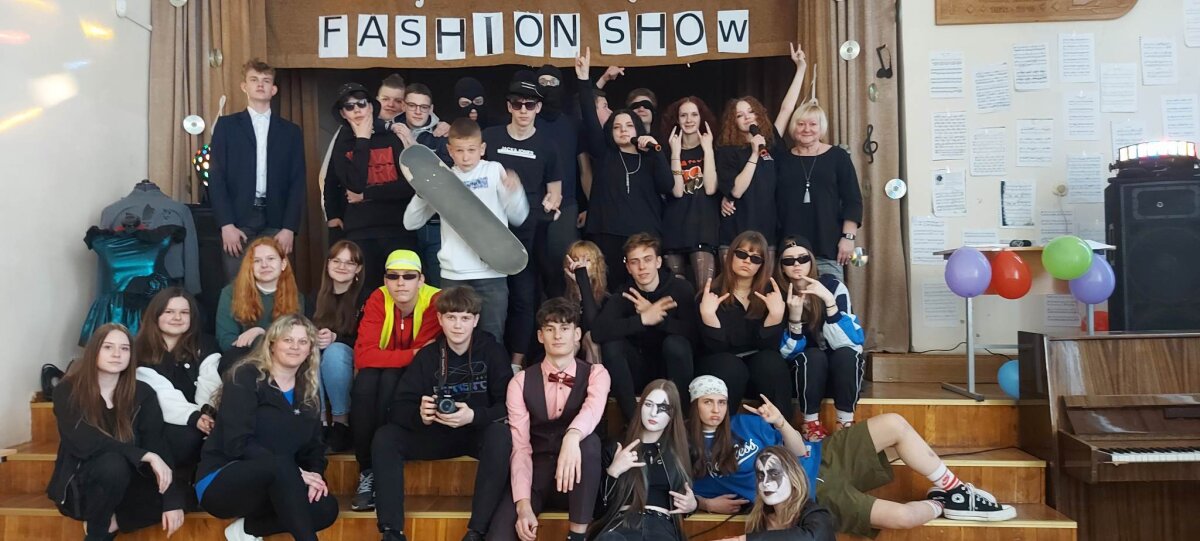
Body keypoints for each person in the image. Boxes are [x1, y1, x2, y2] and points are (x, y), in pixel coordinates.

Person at [372, 287, 514, 541]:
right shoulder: (428, 356)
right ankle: (392, 531)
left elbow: (509, 405)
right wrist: (421, 414)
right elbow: (399, 407)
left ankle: (477, 531)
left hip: (475, 432)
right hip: (435, 432)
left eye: (465, 318)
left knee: (500, 435)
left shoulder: (492, 351)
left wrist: (474, 416)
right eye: (451, 317)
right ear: (440, 319)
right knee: (385, 437)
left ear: (475, 320)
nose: (458, 325)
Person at [196, 315, 338, 541]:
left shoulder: (308, 391)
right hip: (223, 480)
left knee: (325, 507)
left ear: (310, 349)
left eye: (303, 342)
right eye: (287, 340)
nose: (295, 347)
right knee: (281, 465)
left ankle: (247, 529)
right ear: (272, 344)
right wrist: (295, 472)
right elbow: (237, 442)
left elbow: (314, 449)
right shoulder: (245, 376)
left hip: (278, 485)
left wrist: (316, 478)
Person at [48, 324, 185, 541]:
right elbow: (85, 441)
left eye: (124, 348)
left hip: (129, 485)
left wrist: (171, 499)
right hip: (82, 486)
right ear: (94, 351)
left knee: (184, 495)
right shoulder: (68, 390)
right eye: (108, 347)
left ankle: (113, 522)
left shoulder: (143, 392)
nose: (117, 354)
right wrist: (143, 455)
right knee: (113, 464)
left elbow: (156, 443)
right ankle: (97, 533)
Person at [490, 298, 611, 541]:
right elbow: (521, 447)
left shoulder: (597, 374)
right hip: (537, 474)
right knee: (499, 535)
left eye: (565, 328)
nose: (557, 335)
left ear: (577, 334)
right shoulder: (520, 382)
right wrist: (523, 505)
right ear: (540, 336)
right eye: (550, 328)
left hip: (581, 479)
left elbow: (592, 410)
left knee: (588, 443)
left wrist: (571, 437)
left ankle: (577, 536)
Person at [404, 118, 529, 343]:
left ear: (482, 148)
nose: (465, 157)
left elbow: (518, 216)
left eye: (471, 150)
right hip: (454, 275)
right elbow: (410, 223)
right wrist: (421, 193)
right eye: (459, 150)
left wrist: (515, 191)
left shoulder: (493, 171)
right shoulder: (442, 180)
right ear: (450, 150)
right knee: (453, 340)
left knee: (491, 340)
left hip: (492, 272)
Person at [350, 249, 443, 511]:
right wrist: (410, 354)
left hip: (419, 378)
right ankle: (367, 470)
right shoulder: (378, 297)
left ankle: (382, 467)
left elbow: (423, 359)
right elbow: (363, 356)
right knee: (365, 383)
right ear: (385, 280)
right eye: (393, 276)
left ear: (421, 280)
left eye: (409, 276)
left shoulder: (434, 299)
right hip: (378, 372)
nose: (400, 282)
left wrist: (400, 357)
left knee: (389, 379)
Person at [575, 48, 673, 290]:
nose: (623, 130)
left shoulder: (650, 156)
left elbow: (667, 185)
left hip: (643, 237)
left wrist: (657, 151)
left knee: (644, 289)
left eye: (629, 125)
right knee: (608, 290)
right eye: (617, 126)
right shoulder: (604, 152)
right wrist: (584, 79)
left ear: (637, 128)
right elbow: (589, 115)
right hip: (606, 233)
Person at [483, 71, 563, 368]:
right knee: (489, 298)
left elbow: (555, 190)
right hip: (489, 228)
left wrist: (552, 202)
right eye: (517, 104)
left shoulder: (548, 145)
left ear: (539, 108)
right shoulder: (490, 137)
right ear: (509, 106)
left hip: (529, 231)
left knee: (524, 298)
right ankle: (487, 359)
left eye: (530, 105)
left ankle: (516, 363)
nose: (523, 110)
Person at [208, 59, 306, 280]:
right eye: (254, 80)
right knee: (237, 284)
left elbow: (297, 181)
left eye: (266, 80)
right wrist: (226, 224)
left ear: (274, 89)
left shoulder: (291, 131)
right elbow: (216, 177)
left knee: (275, 283)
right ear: (244, 86)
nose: (260, 84)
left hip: (276, 219)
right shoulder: (226, 126)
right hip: (237, 218)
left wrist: (289, 228)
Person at [715, 44, 807, 262]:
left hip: (768, 233)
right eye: (740, 115)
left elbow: (786, 108)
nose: (747, 117)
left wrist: (801, 68)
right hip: (736, 234)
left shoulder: (771, 140)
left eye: (751, 112)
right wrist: (754, 154)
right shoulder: (727, 151)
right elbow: (736, 190)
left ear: (758, 114)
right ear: (733, 122)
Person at [592, 233, 698, 422]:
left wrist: (660, 320)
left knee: (676, 344)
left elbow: (695, 335)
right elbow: (598, 332)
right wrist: (642, 320)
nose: (642, 267)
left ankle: (680, 421)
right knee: (612, 344)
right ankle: (633, 422)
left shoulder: (680, 288)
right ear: (628, 267)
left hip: (672, 370)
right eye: (635, 262)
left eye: (647, 259)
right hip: (637, 370)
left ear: (658, 262)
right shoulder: (625, 293)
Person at [325, 83, 417, 297]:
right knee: (365, 297)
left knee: (403, 294)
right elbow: (353, 184)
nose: (357, 110)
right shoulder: (342, 143)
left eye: (361, 104)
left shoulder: (392, 137)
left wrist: (367, 195)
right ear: (343, 113)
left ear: (371, 107)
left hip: (397, 229)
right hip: (360, 232)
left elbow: (410, 186)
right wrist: (363, 140)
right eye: (349, 107)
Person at [695, 231, 792, 419]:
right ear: (730, 256)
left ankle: (782, 430)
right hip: (720, 367)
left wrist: (775, 317)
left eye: (755, 258)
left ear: (762, 265)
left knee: (771, 362)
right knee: (731, 366)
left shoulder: (771, 296)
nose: (747, 261)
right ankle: (720, 433)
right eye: (741, 254)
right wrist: (708, 317)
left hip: (757, 369)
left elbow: (769, 348)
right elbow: (713, 349)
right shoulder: (711, 294)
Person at [775, 236, 865, 439]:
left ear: (812, 260)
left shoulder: (833, 286)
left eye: (802, 258)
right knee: (814, 355)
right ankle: (810, 424)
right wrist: (795, 319)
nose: (797, 264)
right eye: (789, 260)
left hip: (840, 374)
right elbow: (785, 354)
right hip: (803, 375)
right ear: (781, 267)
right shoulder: (777, 293)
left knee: (846, 354)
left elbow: (852, 343)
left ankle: (845, 423)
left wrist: (829, 302)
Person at [590, 380, 697, 541]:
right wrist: (613, 472)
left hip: (661, 525)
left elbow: (688, 496)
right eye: (648, 404)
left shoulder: (683, 450)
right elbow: (597, 509)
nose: (653, 413)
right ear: (640, 407)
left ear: (672, 414)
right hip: (621, 523)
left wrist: (692, 505)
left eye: (662, 408)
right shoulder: (616, 447)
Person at [685, 376, 809, 515]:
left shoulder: (747, 424)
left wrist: (780, 422)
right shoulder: (683, 440)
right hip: (753, 510)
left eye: (722, 402)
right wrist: (706, 504)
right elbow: (675, 490)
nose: (716, 409)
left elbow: (799, 452)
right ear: (695, 405)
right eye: (707, 402)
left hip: (791, 495)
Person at [133, 288, 221, 481]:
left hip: (201, 419)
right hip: (159, 422)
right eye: (169, 312)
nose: (177, 317)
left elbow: (210, 383)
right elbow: (162, 394)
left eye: (184, 312)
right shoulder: (140, 351)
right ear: (156, 315)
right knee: (187, 438)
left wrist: (207, 414)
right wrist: (195, 417)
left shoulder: (206, 344)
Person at [776, 102, 863, 281]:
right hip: (791, 253)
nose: (806, 129)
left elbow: (852, 200)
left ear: (821, 127)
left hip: (827, 247)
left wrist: (848, 237)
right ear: (793, 127)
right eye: (801, 124)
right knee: (793, 298)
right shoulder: (782, 160)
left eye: (813, 124)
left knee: (830, 296)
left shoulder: (838, 157)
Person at [309, 239, 366, 452]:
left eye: (350, 263)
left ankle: (341, 423)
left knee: (333, 352)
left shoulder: (366, 297)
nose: (342, 267)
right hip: (319, 354)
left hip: (349, 356)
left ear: (358, 269)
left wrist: (336, 339)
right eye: (336, 261)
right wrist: (314, 337)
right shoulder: (315, 296)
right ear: (328, 264)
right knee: (309, 351)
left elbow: (367, 338)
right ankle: (321, 422)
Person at [214, 237, 304, 370]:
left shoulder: (296, 297)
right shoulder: (230, 293)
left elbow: (296, 341)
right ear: (250, 266)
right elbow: (226, 341)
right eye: (257, 261)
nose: (264, 265)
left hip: (284, 362)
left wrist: (260, 333)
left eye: (270, 259)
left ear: (283, 264)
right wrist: (265, 340)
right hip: (244, 361)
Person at [393, 82, 451, 285]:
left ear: (431, 109)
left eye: (424, 107)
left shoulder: (442, 136)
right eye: (412, 105)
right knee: (404, 283)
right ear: (403, 106)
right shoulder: (390, 131)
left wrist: (411, 143)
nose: (418, 111)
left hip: (434, 222)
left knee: (437, 285)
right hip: (397, 220)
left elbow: (443, 177)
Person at [712, 446, 836, 541]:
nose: (765, 482)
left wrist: (743, 539)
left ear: (793, 477)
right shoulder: (760, 519)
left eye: (774, 474)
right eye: (761, 475)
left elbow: (812, 537)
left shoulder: (816, 514)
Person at [660, 97, 720, 291]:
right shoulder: (668, 151)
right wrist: (675, 154)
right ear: (677, 120)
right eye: (683, 115)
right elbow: (677, 191)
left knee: (704, 291)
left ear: (701, 118)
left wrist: (708, 150)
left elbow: (710, 188)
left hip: (703, 227)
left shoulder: (713, 149)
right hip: (674, 227)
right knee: (676, 293)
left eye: (694, 114)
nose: (689, 120)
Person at [535, 64, 584, 298]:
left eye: (552, 83)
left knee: (564, 267)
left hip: (566, 205)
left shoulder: (572, 123)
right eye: (542, 83)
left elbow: (584, 168)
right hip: (532, 204)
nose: (547, 87)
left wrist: (588, 205)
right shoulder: (527, 119)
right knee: (533, 268)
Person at [562, 240, 608, 364]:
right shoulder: (560, 292)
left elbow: (593, 327)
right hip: (568, 343)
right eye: (575, 260)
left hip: (593, 346)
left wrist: (583, 284)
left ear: (597, 265)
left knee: (591, 339)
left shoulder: (606, 298)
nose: (580, 265)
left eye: (587, 260)